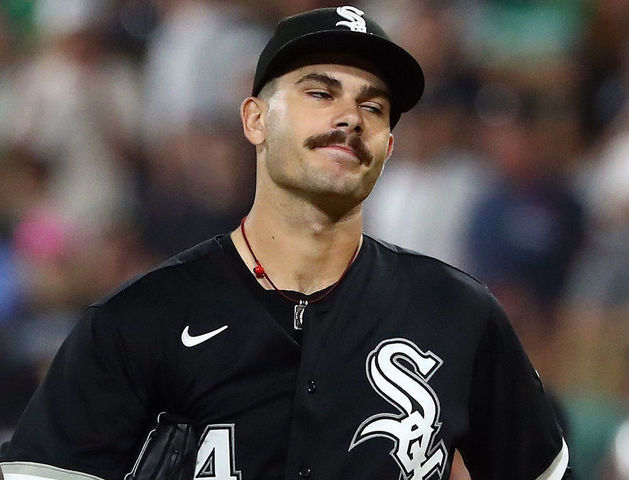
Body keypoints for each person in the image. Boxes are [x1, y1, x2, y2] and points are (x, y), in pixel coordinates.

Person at [0, 6, 571, 480]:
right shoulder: (139, 319)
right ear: (254, 120)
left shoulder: (458, 315)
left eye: (373, 107)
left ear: (389, 146)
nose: (350, 116)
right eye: (321, 93)